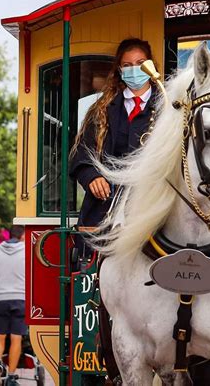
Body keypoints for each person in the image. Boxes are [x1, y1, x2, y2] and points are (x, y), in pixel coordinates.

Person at [69, 38, 158, 258]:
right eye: (127, 65)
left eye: (140, 63)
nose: (134, 70)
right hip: (105, 205)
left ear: (151, 66)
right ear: (120, 70)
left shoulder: (167, 106)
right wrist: (92, 177)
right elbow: (81, 154)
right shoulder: (102, 110)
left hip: (150, 206)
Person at [0, 225, 26, 386]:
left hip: (0, 298)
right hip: (20, 297)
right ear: (23, 236)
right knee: (16, 338)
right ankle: (11, 376)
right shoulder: (26, 250)